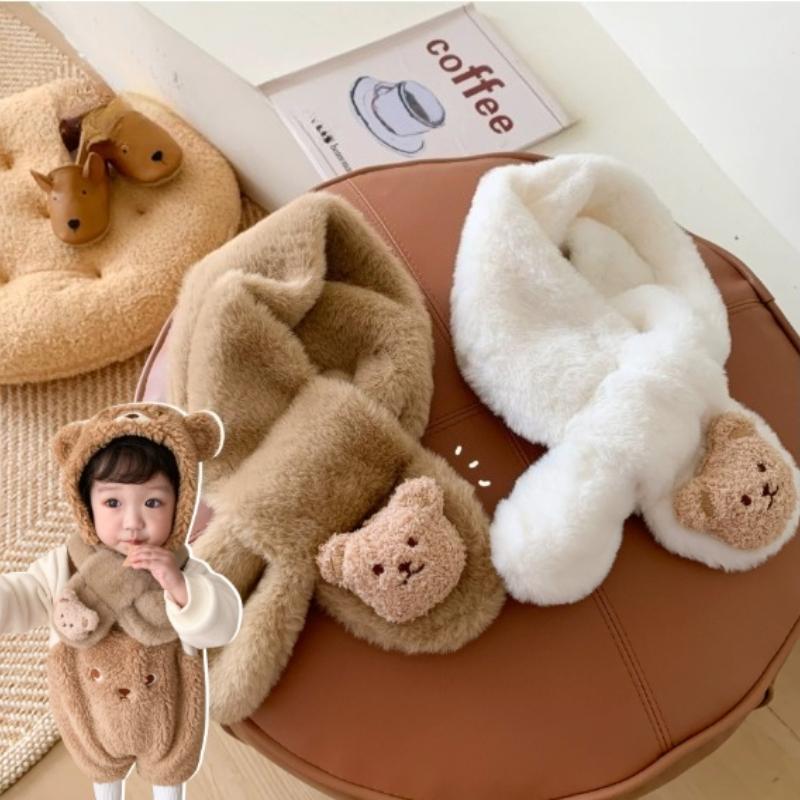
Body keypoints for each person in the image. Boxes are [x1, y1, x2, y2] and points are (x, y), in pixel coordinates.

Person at [0, 403, 242, 800]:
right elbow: (24, 596)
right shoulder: (65, 566)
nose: (133, 522)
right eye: (113, 503)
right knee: (103, 776)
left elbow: (224, 623)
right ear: (85, 504)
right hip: (92, 716)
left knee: (169, 779)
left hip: (169, 717)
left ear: (181, 502)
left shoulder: (183, 568)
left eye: (152, 503)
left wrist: (179, 586)